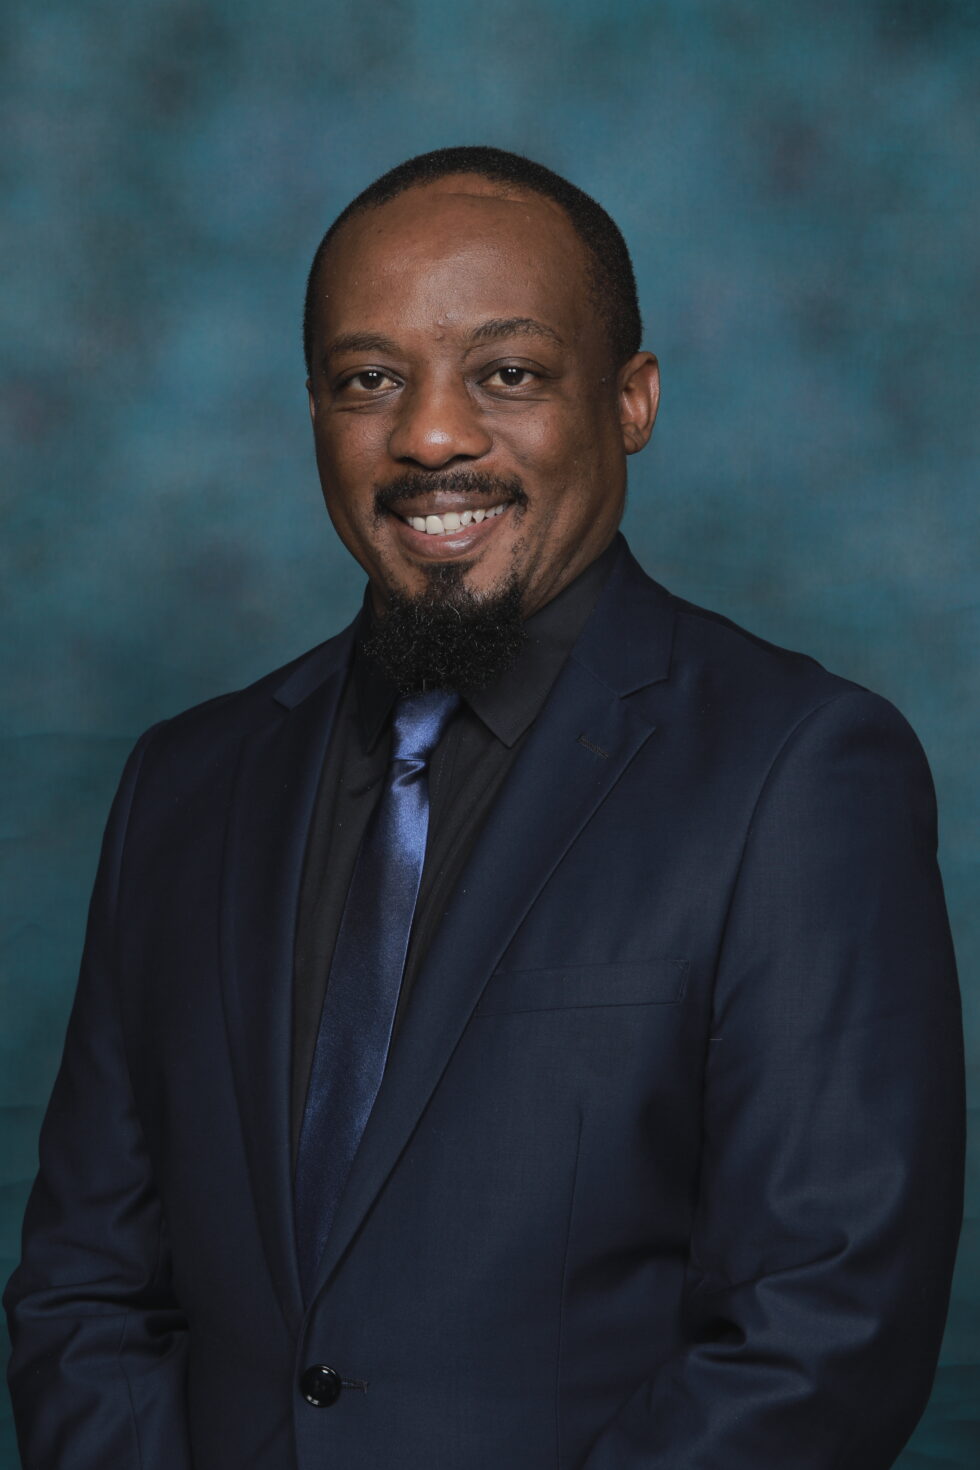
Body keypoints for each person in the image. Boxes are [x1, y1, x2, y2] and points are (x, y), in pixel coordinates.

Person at [4, 146, 965, 1470]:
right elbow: (87, 1293)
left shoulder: (797, 769)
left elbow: (824, 1327)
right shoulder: (186, 784)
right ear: (314, 410)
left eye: (507, 373)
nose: (433, 435)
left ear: (631, 400)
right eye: (369, 379)